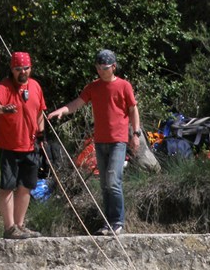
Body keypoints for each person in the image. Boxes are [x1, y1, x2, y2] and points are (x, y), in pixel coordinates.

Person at [48, 49, 141, 235]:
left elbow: (133, 110)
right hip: (100, 141)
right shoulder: (93, 87)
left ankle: (118, 221)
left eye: (104, 68)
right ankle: (108, 223)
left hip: (118, 140)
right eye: (98, 68)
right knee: (105, 183)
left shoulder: (124, 86)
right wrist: (62, 111)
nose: (100, 71)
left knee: (114, 180)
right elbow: (78, 103)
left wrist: (136, 133)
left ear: (113, 67)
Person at [0, 51, 47, 239]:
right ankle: (9, 227)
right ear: (12, 69)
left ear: (31, 68)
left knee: (26, 186)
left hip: (30, 145)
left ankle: (20, 225)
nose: (23, 72)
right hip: (6, 146)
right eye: (18, 69)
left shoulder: (35, 86)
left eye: (26, 68)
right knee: (7, 186)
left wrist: (41, 135)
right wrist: (3, 109)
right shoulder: (5, 87)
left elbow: (40, 113)